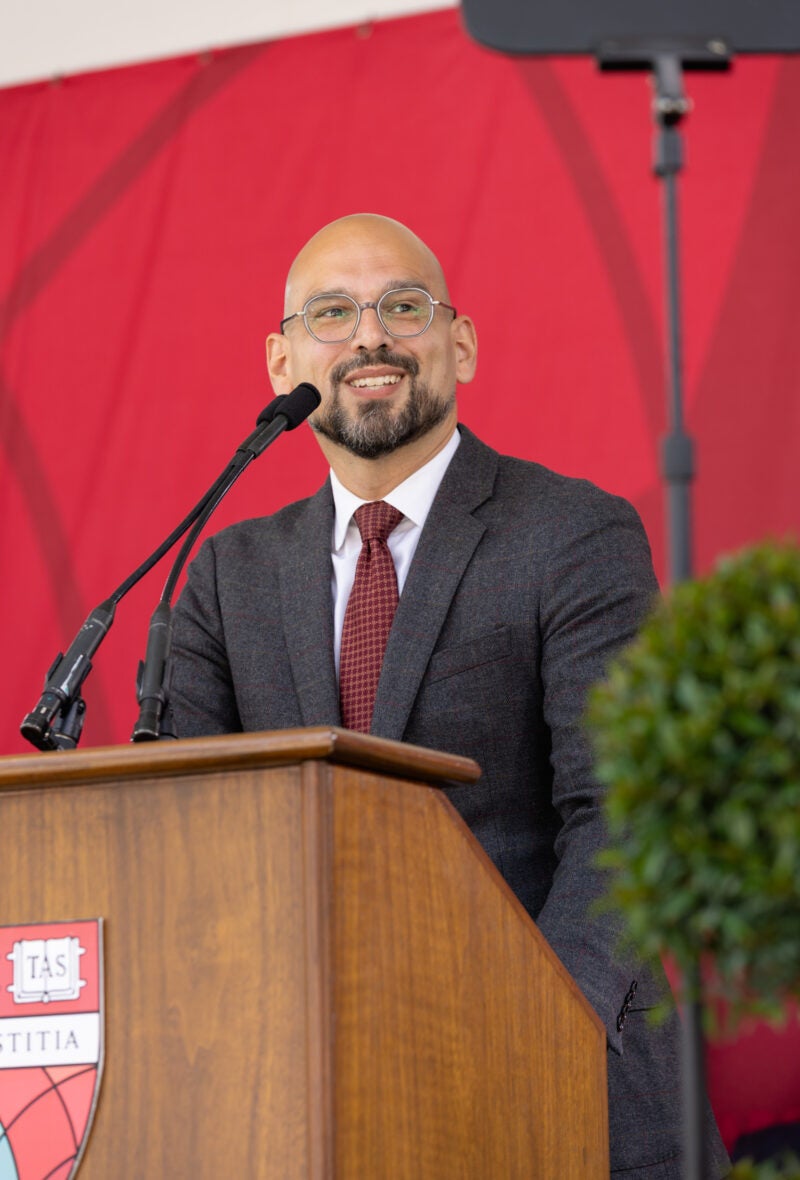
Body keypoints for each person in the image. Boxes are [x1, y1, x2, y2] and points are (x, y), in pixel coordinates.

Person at [169, 213, 729, 1177]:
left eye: (403, 306)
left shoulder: (574, 533)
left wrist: (528, 1031)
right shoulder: (228, 574)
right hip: (312, 1106)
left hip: (568, 1088)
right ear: (281, 360)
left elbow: (626, 817)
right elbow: (186, 836)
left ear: (459, 343)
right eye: (332, 313)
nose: (370, 338)